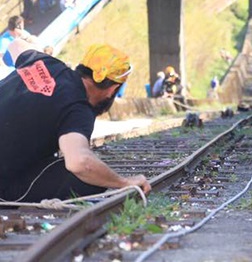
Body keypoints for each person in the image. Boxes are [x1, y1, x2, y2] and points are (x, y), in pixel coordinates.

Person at [0, 41, 151, 202]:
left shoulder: (44, 62)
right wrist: (123, 182)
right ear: (112, 89)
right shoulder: (78, 109)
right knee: (89, 180)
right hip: (5, 185)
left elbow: (16, 45)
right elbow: (79, 162)